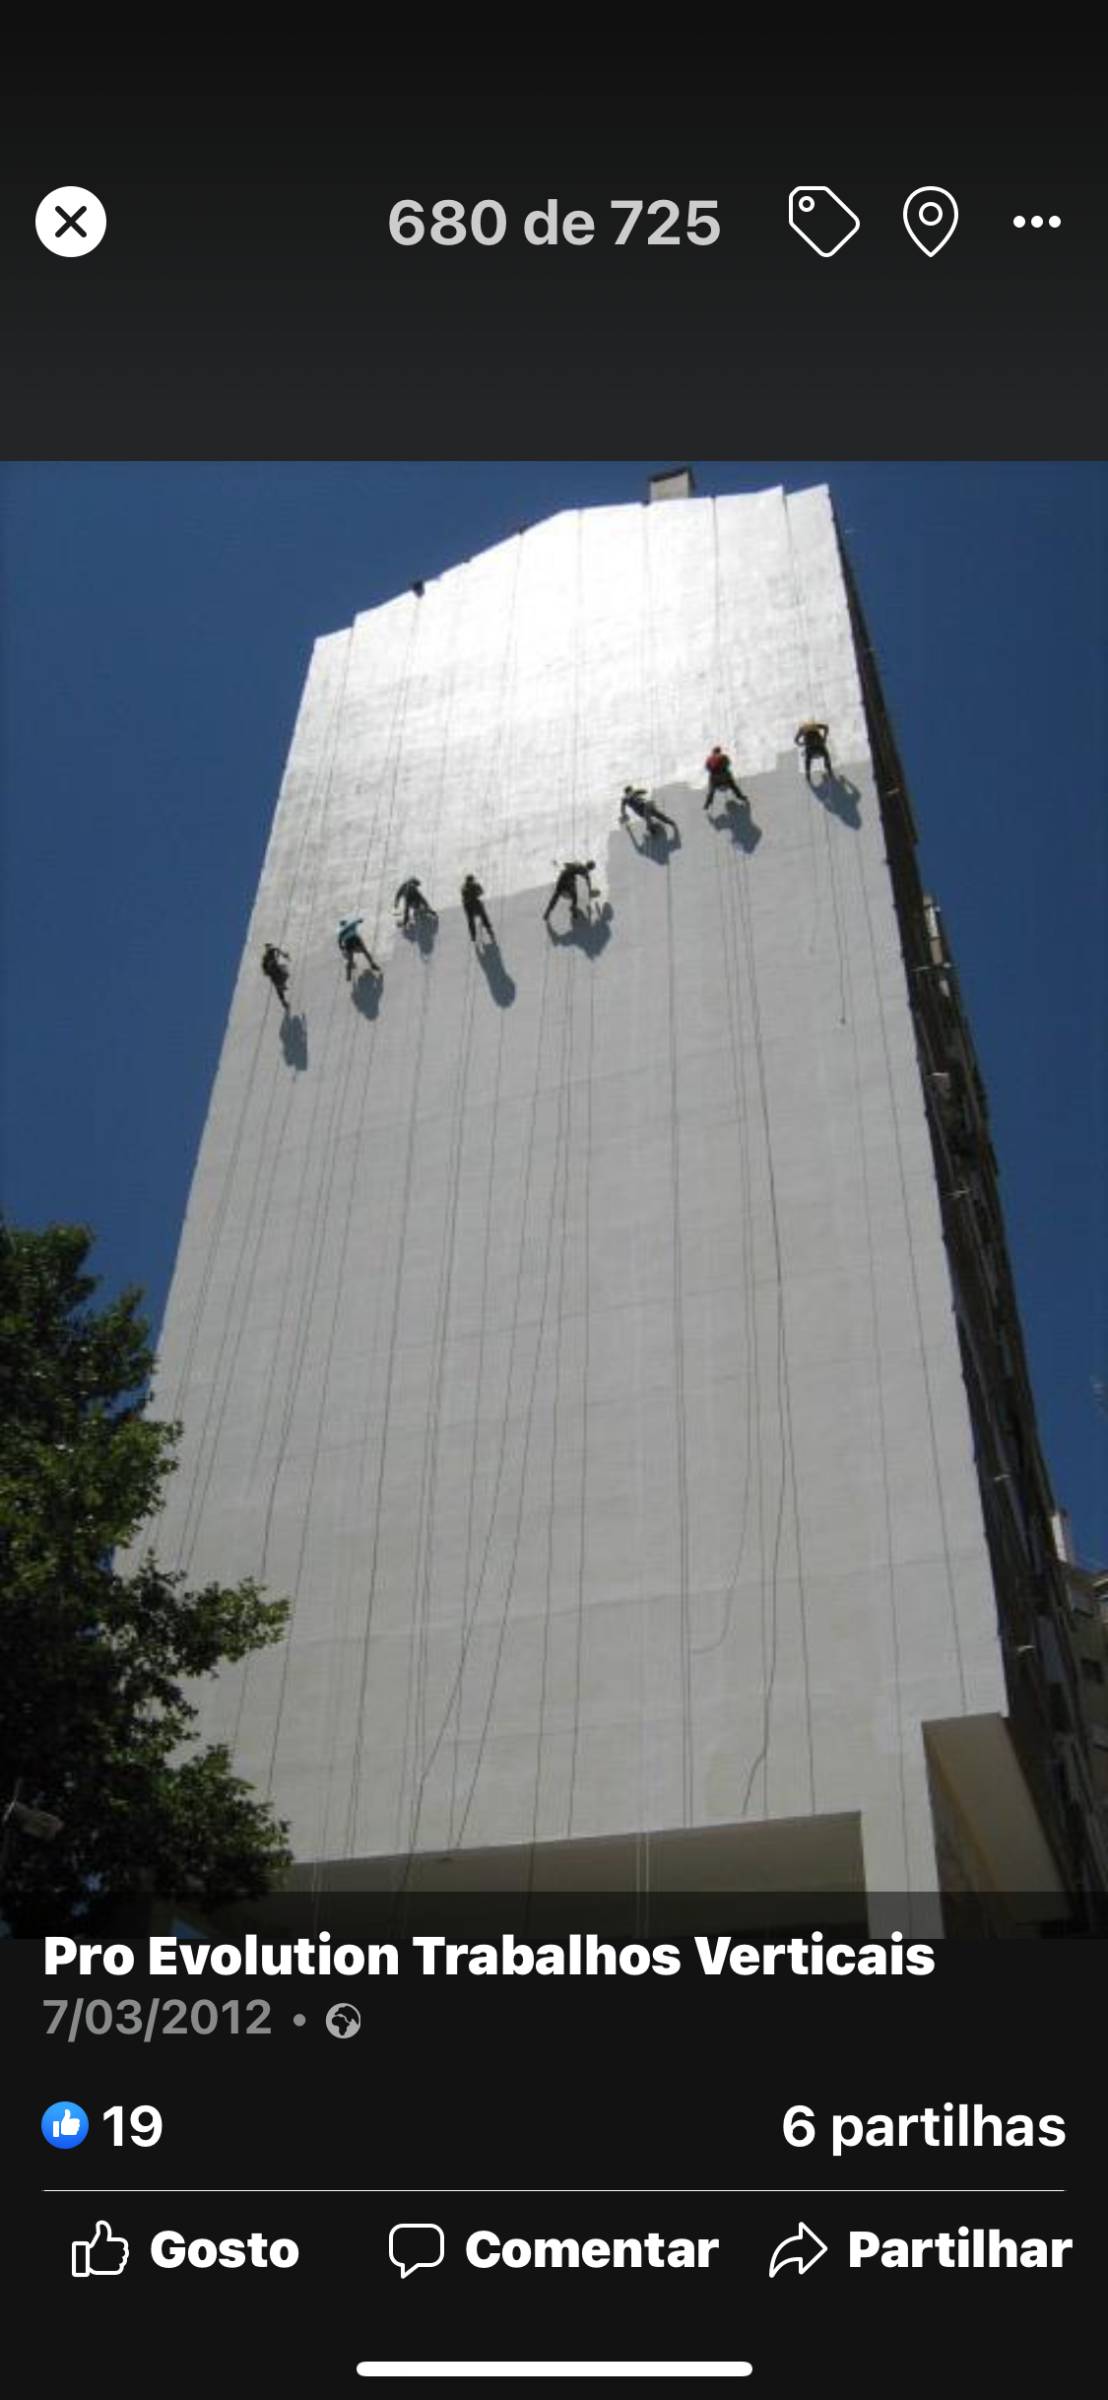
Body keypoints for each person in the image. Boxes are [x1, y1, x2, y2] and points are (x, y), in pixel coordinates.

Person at [543, 860, 597, 926]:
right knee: (574, 895)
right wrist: (589, 891)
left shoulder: (578, 864)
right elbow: (588, 882)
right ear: (590, 868)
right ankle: (573, 909)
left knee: (557, 893)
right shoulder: (585, 871)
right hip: (569, 880)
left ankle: (548, 911)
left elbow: (566, 864)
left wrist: (566, 867)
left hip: (563, 877)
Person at [704, 745, 745, 811]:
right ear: (720, 751)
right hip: (725, 778)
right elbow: (729, 763)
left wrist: (713, 771)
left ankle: (708, 803)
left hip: (715, 780)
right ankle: (740, 797)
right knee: (733, 785)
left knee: (711, 790)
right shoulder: (724, 757)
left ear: (713, 752)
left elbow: (707, 767)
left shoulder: (709, 758)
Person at [461, 873, 494, 947]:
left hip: (475, 903)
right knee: (470, 920)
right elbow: (465, 897)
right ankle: (473, 935)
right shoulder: (464, 888)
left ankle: (488, 927)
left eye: (472, 880)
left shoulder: (476, 885)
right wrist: (471, 896)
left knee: (483, 914)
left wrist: (477, 893)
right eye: (470, 881)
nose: (471, 882)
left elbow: (481, 891)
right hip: (468, 905)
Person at [261, 943, 291, 1010]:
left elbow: (278, 950)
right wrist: (267, 969)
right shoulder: (265, 958)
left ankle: (282, 985)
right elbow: (264, 968)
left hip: (276, 969)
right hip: (273, 972)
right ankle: (283, 1000)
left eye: (269, 947)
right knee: (278, 985)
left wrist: (284, 955)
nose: (269, 948)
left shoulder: (272, 951)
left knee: (285, 972)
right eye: (268, 947)